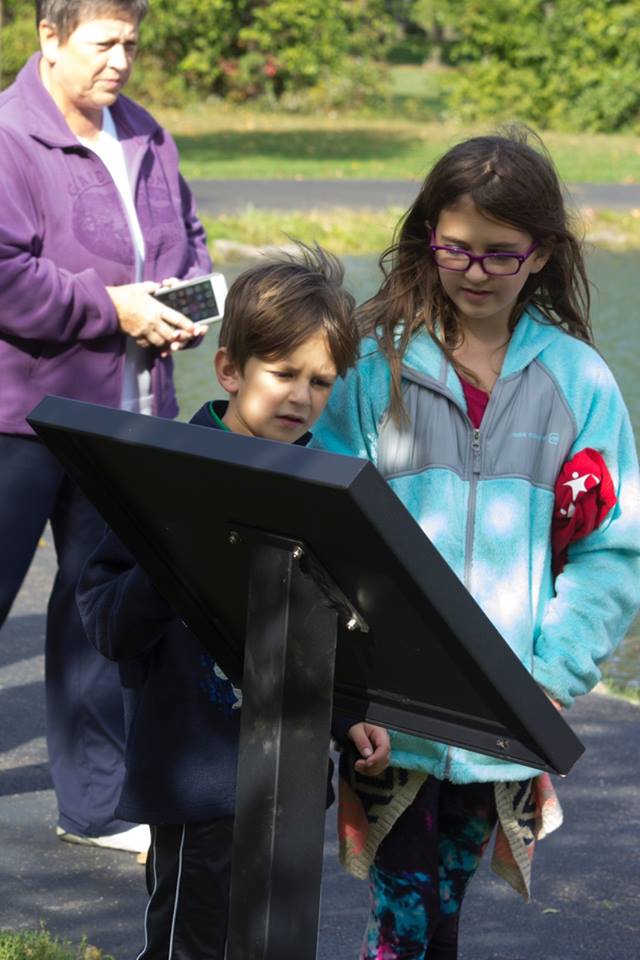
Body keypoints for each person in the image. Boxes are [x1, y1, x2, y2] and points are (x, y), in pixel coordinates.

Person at [310, 128, 640, 959]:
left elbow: (611, 549)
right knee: (406, 923)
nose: (476, 273)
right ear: (429, 238)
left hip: (505, 709)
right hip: (392, 715)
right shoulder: (371, 367)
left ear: (541, 254)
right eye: (456, 250)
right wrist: (354, 685)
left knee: (439, 918)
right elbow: (323, 529)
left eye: (501, 254)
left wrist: (553, 675)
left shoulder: (578, 382)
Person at [76, 244, 392, 960]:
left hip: (291, 774)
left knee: (278, 943)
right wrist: (178, 541)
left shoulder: (324, 488)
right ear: (229, 369)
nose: (302, 397)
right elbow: (108, 626)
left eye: (321, 381)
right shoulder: (156, 474)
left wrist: (350, 718)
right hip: (197, 780)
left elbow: (334, 620)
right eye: (283, 374)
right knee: (192, 945)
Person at [0, 0, 212, 852]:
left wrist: (187, 302)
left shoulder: (147, 133)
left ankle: (94, 808)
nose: (121, 61)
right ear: (47, 39)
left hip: (126, 419)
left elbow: (187, 241)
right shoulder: (9, 137)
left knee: (98, 616)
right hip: (20, 418)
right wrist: (112, 308)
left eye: (132, 42)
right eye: (104, 43)